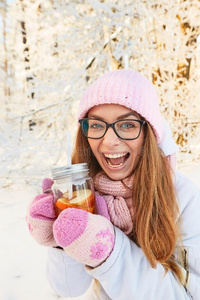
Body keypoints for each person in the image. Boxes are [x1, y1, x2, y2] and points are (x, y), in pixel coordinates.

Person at [26, 69, 200, 300]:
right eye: (97, 125)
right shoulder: (85, 195)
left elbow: (188, 295)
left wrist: (109, 253)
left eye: (127, 125)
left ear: (148, 131)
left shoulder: (184, 199)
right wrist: (60, 242)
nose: (109, 141)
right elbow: (68, 289)